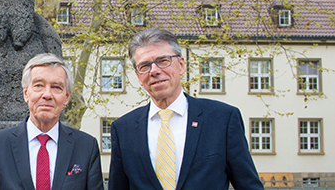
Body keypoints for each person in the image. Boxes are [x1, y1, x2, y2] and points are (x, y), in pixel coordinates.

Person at [108, 28, 263, 190]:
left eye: (163, 61)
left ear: (181, 65)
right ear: (138, 76)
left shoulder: (222, 119)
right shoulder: (123, 129)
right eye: (144, 66)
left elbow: (249, 185)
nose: (154, 71)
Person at [0, 53, 103, 190]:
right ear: (26, 94)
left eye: (56, 87)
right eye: (38, 85)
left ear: (66, 97)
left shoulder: (87, 147)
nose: (47, 95)